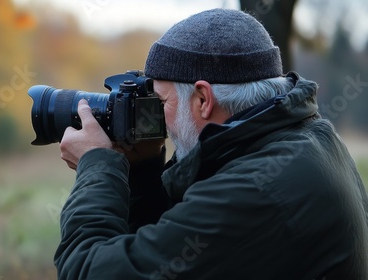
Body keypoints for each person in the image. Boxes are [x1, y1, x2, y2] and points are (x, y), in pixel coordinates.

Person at [55, 8, 368, 280]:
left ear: (203, 99)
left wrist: (97, 165)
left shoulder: (258, 188)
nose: (158, 120)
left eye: (161, 102)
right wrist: (142, 171)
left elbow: (89, 272)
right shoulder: (304, 138)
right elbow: (171, 247)